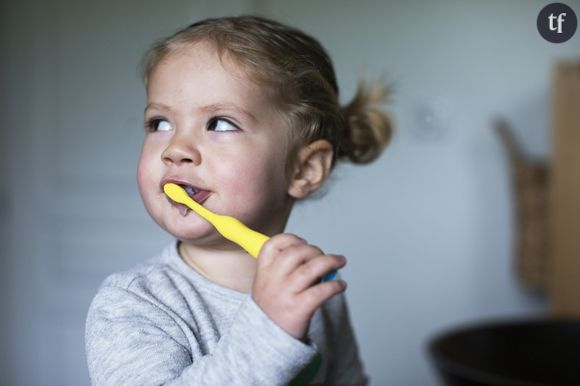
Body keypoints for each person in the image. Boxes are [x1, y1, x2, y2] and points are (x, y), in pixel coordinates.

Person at [85, 15, 392, 386]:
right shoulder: (133, 304)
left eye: (220, 123)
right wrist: (269, 330)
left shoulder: (310, 285)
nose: (175, 149)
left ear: (304, 169)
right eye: (160, 123)